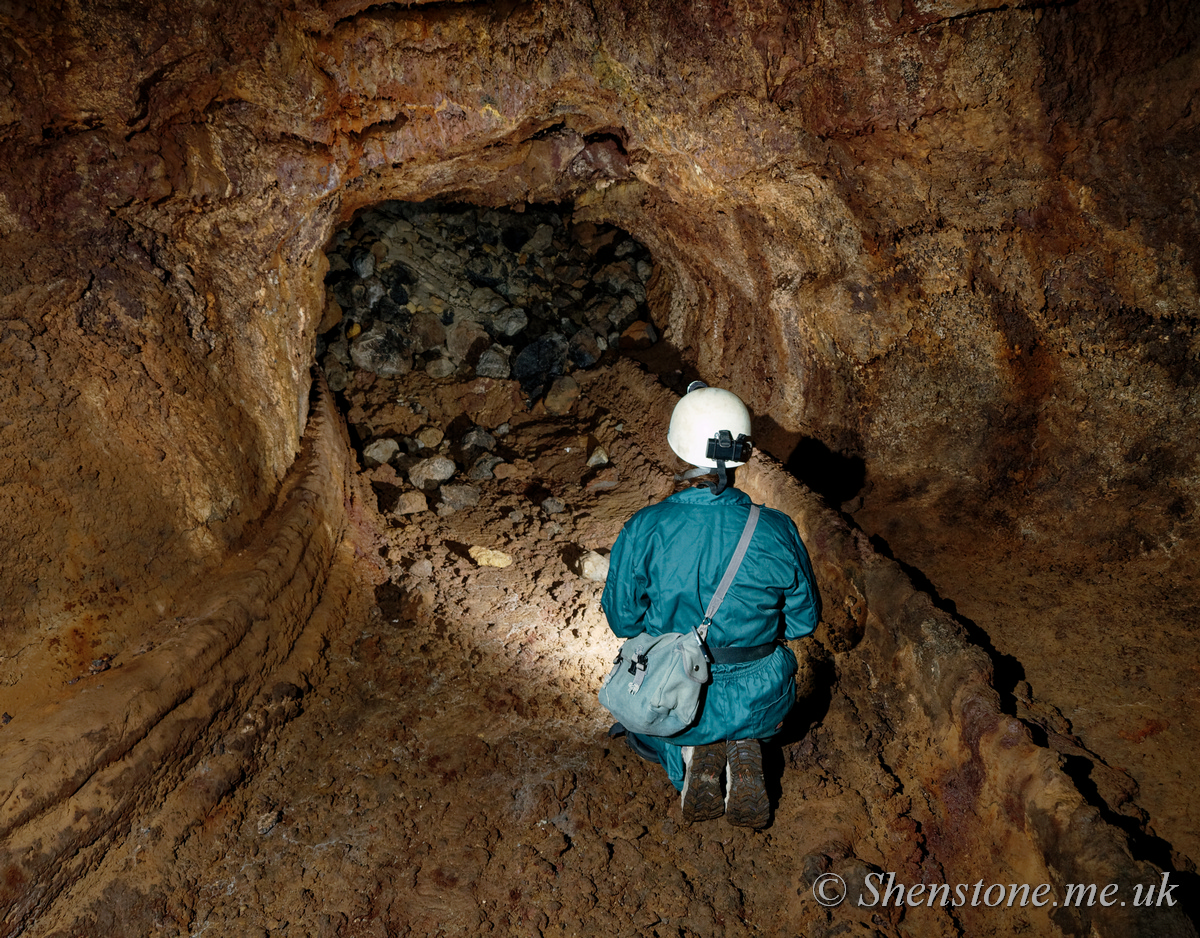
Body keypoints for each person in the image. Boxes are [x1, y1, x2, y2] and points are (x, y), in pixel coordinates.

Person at [601, 383, 820, 828]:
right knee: (745, 698)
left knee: (641, 727)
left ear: (678, 447)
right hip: (764, 695)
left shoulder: (646, 527)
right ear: (741, 455)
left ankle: (690, 753)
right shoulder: (777, 529)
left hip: (674, 691)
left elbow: (622, 619)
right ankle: (742, 743)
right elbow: (802, 622)